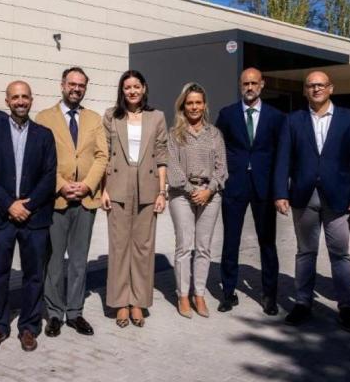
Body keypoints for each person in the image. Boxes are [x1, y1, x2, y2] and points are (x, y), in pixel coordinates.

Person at [274, 71, 350, 333]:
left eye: (321, 85)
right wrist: (280, 193)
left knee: (340, 253)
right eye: (311, 86)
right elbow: (283, 158)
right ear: (305, 91)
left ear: (331, 88)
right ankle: (303, 303)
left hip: (339, 198)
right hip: (303, 197)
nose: (316, 89)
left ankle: (345, 307)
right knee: (305, 252)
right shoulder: (292, 121)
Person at [0, 81, 58, 352]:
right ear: (7, 101)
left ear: (31, 100)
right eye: (15, 97)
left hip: (34, 217)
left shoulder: (44, 135)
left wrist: (28, 205)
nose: (20, 101)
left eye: (25, 96)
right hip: (1, 217)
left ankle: (29, 326)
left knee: (33, 275)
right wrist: (8, 204)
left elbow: (50, 175)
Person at [37, 67, 108, 337]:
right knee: (54, 260)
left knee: (79, 260)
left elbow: (102, 156)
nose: (76, 89)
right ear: (62, 85)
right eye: (72, 84)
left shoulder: (94, 119)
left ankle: (75, 312)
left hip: (86, 200)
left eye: (81, 85)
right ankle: (54, 313)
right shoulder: (44, 118)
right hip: (57, 199)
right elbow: (41, 158)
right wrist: (62, 185)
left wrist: (87, 185)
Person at [101, 70, 169, 328]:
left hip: (148, 185)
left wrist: (162, 192)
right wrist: (104, 190)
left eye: (136, 86)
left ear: (144, 88)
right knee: (119, 247)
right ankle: (120, 303)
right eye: (127, 87)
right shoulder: (111, 115)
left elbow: (162, 155)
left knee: (143, 247)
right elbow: (104, 154)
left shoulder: (157, 116)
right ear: (122, 90)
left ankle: (138, 302)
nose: (132, 91)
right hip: (117, 184)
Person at [214, 68, 285, 315]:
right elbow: (218, 148)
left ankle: (269, 295)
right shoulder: (227, 114)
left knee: (268, 243)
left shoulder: (276, 117)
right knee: (230, 242)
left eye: (254, 83)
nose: (250, 87)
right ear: (240, 85)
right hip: (234, 186)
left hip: (264, 188)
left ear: (262, 85)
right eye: (246, 83)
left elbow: (281, 155)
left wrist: (280, 190)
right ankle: (228, 293)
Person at [166, 82, 227, 319]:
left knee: (203, 247)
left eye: (198, 102)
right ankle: (182, 295)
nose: (194, 107)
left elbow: (222, 168)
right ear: (183, 105)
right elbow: (173, 168)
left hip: (210, 195)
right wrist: (193, 190)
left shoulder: (214, 134)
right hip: (182, 194)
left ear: (204, 105)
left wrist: (209, 190)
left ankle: (199, 294)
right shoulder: (174, 135)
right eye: (189, 102)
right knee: (185, 246)